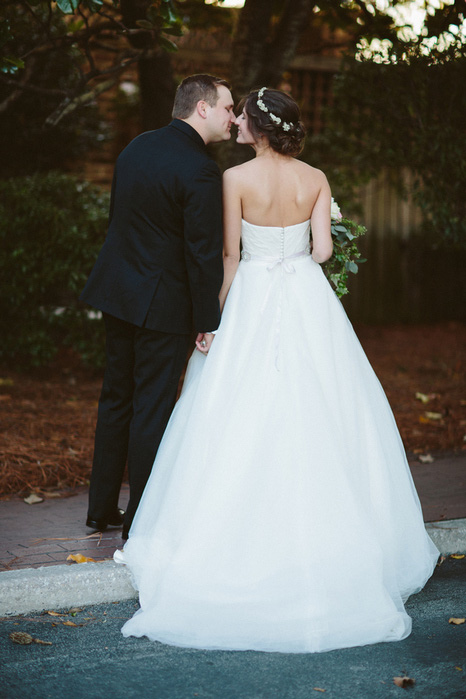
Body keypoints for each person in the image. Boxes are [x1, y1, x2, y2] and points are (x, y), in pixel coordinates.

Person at [113, 88, 439, 653]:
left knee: (235, 408)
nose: (235, 120)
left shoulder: (234, 181)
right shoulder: (315, 177)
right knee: (327, 405)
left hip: (253, 292)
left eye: (243, 116)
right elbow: (323, 253)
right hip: (306, 294)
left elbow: (231, 256)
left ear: (257, 129)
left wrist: (209, 317)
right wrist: (298, 251)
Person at [81, 74, 235, 539]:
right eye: (228, 107)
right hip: (163, 305)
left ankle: (101, 508)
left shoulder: (136, 147)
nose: (233, 117)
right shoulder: (202, 169)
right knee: (151, 408)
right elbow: (202, 252)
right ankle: (140, 520)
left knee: (116, 400)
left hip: (117, 292)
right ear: (202, 108)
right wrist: (209, 319)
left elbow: (119, 221)